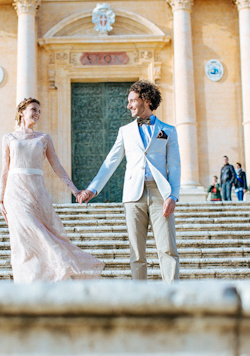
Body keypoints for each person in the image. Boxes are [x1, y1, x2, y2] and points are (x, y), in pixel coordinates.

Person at [77, 80, 180, 283]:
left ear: (146, 100)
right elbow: (111, 162)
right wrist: (93, 189)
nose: (129, 105)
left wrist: (173, 196)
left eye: (133, 100)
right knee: (136, 253)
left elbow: (175, 166)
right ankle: (139, 298)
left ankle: (172, 295)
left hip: (161, 194)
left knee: (167, 248)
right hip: (133, 196)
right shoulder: (125, 131)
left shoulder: (168, 130)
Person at [0, 97, 104, 283]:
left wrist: (75, 191)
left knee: (43, 235)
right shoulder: (9, 138)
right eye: (33, 109)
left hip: (37, 193)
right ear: (22, 112)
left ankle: (52, 275)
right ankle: (26, 284)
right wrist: (0, 198)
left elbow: (57, 167)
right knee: (23, 240)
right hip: (15, 194)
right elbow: (5, 169)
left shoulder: (44, 138)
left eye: (39, 111)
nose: (37, 114)